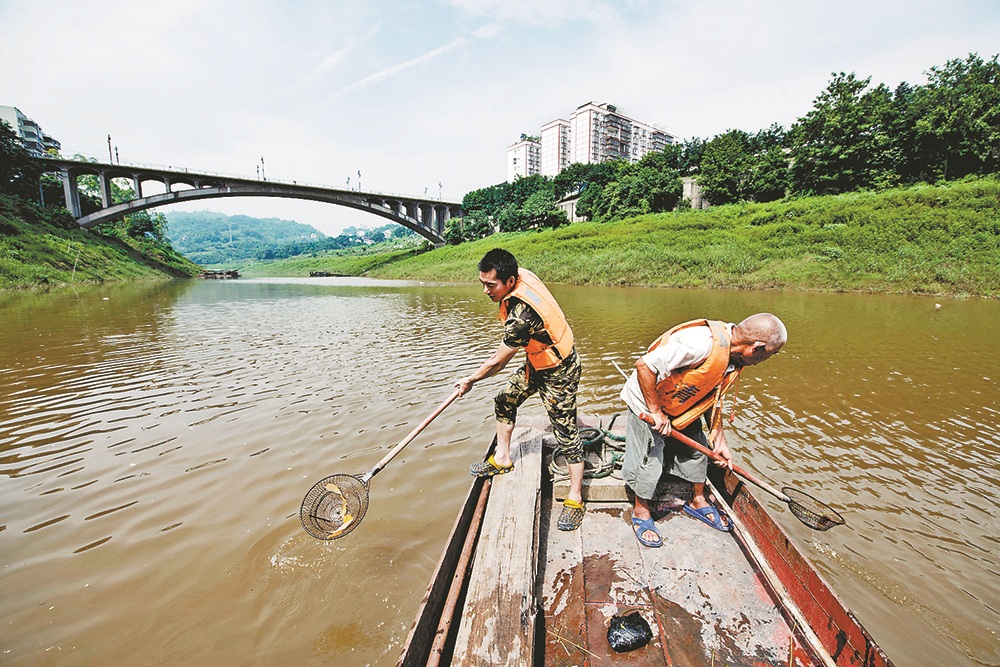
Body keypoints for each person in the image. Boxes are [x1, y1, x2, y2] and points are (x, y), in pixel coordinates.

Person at [619, 313, 787, 547]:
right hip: (647, 403)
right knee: (650, 456)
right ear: (756, 348)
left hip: (682, 404)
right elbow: (644, 366)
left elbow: (712, 396)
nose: (766, 360)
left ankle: (698, 499)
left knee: (699, 449)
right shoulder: (699, 343)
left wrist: (719, 439)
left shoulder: (734, 357)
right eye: (771, 354)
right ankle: (641, 511)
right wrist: (656, 413)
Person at [454, 249, 586, 531]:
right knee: (504, 400)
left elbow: (498, 362)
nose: (485, 291)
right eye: (482, 283)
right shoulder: (520, 275)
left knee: (564, 430)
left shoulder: (520, 317)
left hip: (560, 369)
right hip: (538, 360)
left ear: (511, 281)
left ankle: (575, 497)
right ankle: (502, 458)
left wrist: (470, 380)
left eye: (491, 285)